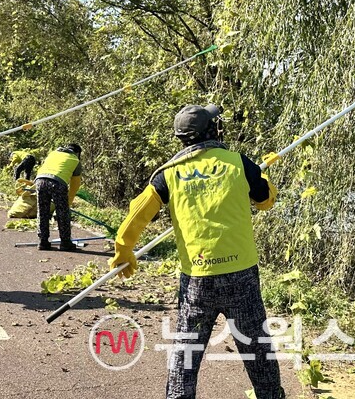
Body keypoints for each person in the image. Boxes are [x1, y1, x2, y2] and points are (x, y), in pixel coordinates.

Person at [109, 105, 284, 399]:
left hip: (197, 279)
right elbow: (265, 201)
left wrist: (124, 248)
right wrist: (263, 175)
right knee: (256, 345)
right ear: (213, 130)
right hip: (241, 275)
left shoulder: (168, 174)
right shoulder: (239, 163)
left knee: (187, 350)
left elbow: (138, 213)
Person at [34, 143, 83, 251]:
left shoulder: (53, 153)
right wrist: (68, 203)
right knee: (63, 213)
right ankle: (65, 243)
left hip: (40, 180)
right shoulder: (75, 160)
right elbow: (75, 185)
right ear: (78, 153)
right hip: (58, 183)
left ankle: (43, 242)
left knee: (43, 212)